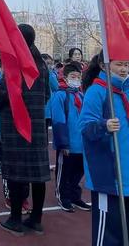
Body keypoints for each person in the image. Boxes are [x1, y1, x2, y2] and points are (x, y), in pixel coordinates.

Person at [0, 24, 51, 237]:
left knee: (16, 175)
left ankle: (15, 219)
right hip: (36, 127)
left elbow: (1, 96)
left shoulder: (15, 63)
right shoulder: (41, 65)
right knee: (38, 174)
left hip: (15, 126)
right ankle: (36, 218)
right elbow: (46, 95)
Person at [79, 51, 129, 246]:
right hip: (108, 174)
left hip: (126, 172)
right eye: (119, 64)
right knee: (107, 234)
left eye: (127, 64)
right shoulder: (97, 91)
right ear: (104, 64)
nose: (124, 69)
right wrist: (104, 126)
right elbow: (84, 127)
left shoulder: (126, 90)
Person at [51, 61, 90, 213]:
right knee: (65, 172)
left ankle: (75, 196)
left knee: (78, 172)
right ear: (65, 78)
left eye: (78, 77)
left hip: (82, 144)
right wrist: (63, 144)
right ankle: (63, 196)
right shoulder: (60, 96)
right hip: (68, 144)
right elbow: (59, 122)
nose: (76, 79)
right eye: (73, 76)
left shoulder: (81, 94)